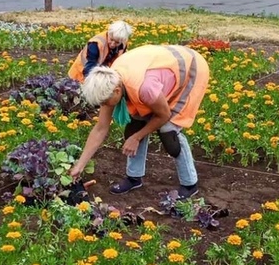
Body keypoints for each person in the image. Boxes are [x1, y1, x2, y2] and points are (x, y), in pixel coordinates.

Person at [69, 43, 210, 198]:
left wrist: (137, 138)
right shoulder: (109, 85)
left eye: (104, 102)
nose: (103, 106)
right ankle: (134, 178)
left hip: (189, 69)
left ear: (117, 91)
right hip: (155, 69)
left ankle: (190, 184)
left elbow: (163, 115)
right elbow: (100, 128)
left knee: (168, 133)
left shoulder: (145, 89)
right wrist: (80, 166)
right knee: (134, 127)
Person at [68, 20, 133, 82]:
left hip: (103, 74)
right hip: (80, 76)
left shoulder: (123, 44)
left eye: (117, 42)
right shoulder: (96, 43)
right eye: (111, 39)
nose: (113, 44)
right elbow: (89, 68)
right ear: (108, 33)